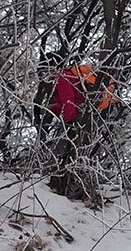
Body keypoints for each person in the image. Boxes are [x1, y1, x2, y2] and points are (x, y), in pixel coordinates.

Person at [48, 65, 116, 199]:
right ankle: (65, 182)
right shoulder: (69, 76)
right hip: (87, 114)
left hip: (77, 115)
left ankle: (52, 178)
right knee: (75, 150)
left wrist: (69, 121)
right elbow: (64, 102)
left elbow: (68, 101)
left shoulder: (63, 77)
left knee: (61, 148)